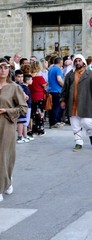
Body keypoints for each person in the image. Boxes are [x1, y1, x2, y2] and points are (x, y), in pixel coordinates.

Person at [0, 58, 27, 201]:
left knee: (3, 155)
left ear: (9, 69)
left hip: (7, 124)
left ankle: (2, 186)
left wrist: (6, 110)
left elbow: (23, 108)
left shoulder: (14, 87)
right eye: (0, 67)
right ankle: (7, 178)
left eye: (5, 67)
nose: (2, 70)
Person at [60, 54, 92, 152]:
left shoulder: (90, 73)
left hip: (85, 102)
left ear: (83, 62)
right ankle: (78, 143)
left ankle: (90, 134)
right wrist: (63, 100)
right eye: (76, 61)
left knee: (86, 122)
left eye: (79, 61)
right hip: (72, 103)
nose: (77, 63)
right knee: (75, 124)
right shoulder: (70, 74)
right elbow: (65, 89)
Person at [29, 61, 47, 135]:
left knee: (33, 114)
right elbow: (44, 85)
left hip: (31, 96)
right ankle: (40, 129)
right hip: (39, 96)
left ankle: (33, 128)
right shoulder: (39, 76)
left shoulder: (30, 77)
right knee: (40, 114)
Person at [48, 56, 65, 128]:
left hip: (51, 89)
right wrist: (64, 86)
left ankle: (51, 122)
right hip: (57, 90)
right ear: (60, 62)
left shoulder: (51, 69)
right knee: (57, 107)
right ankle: (56, 122)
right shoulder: (58, 69)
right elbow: (59, 79)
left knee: (52, 107)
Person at [17, 74, 34, 143]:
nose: (32, 81)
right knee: (24, 121)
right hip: (26, 106)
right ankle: (22, 136)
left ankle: (25, 135)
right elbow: (25, 98)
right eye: (31, 79)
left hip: (27, 106)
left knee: (25, 122)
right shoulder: (25, 88)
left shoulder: (24, 87)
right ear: (27, 80)